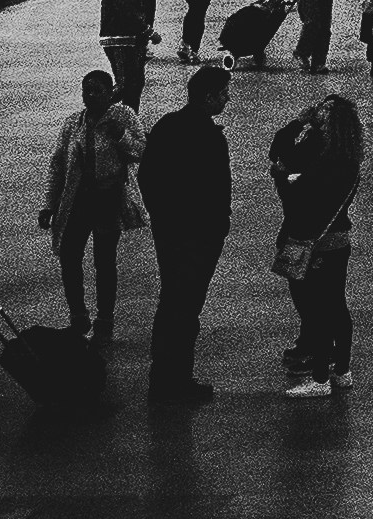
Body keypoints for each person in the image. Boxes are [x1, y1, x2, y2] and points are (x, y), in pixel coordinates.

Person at [139, 66, 232, 404]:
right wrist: (218, 225)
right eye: (223, 93)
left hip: (170, 231)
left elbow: (147, 177)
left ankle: (163, 376)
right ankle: (176, 380)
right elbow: (216, 189)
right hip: (199, 235)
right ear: (208, 96)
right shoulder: (207, 136)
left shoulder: (167, 127)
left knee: (171, 301)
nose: (226, 98)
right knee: (187, 306)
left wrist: (163, 215)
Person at [267, 85, 362, 398]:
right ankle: (342, 370)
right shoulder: (347, 159)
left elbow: (302, 194)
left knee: (318, 309)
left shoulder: (325, 162)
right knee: (336, 305)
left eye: (324, 109)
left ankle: (320, 377)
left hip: (315, 240)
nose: (318, 109)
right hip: (338, 238)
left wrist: (286, 178)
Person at [43, 67, 136, 338]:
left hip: (107, 200)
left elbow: (141, 151)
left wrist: (121, 134)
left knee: (104, 262)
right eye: (87, 91)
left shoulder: (124, 117)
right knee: (69, 256)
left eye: (97, 91)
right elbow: (58, 165)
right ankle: (78, 316)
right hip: (79, 201)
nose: (91, 96)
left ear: (110, 94)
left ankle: (105, 321)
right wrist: (50, 204)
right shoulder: (73, 124)